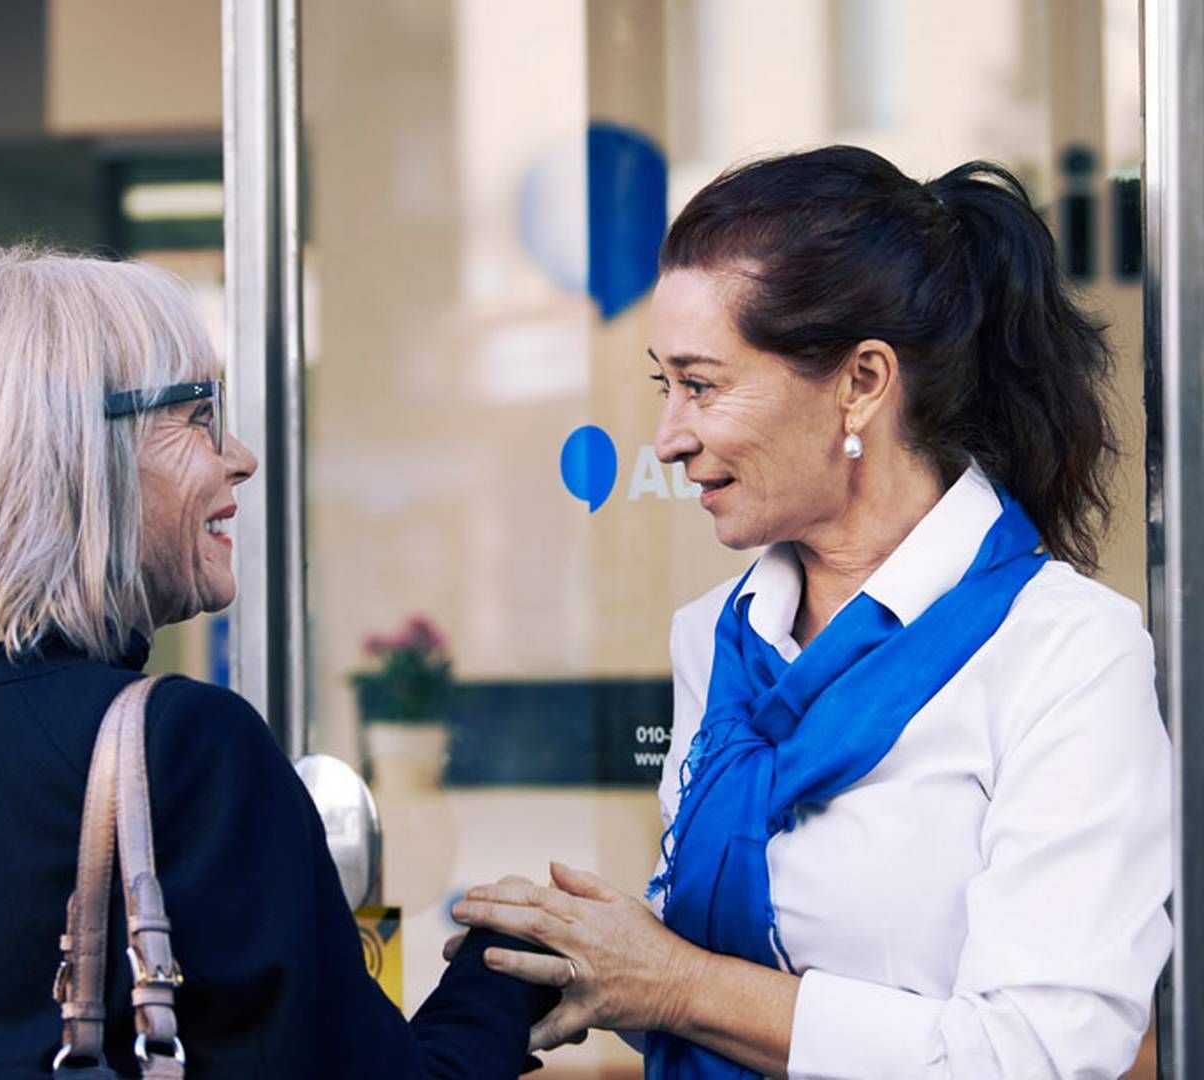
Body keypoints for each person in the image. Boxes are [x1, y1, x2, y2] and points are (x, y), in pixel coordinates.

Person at [449, 146, 1172, 1078]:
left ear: (862, 382)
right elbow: (748, 991)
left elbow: (1034, 1056)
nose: (668, 437)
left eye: (701, 384)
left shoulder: (1066, 653)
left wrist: (670, 982)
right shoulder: (719, 639)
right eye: (661, 385)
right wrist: (589, 961)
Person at [0, 246, 555, 1078]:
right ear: (77, 454)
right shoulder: (183, 750)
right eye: (199, 414)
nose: (241, 456)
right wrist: (503, 977)